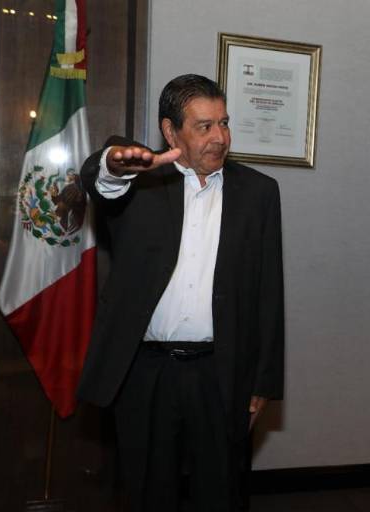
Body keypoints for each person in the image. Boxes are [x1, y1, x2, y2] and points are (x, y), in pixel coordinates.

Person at [77, 74, 284, 511]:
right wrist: (113, 164)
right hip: (145, 372)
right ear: (171, 132)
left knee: (222, 492)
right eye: (204, 126)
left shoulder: (259, 193)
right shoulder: (142, 183)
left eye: (224, 123)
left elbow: (268, 291)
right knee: (149, 492)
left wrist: (264, 380)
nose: (220, 137)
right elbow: (100, 179)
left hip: (221, 372)